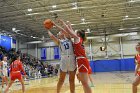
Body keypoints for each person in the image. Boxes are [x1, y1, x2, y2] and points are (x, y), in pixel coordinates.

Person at [55, 19, 92, 93]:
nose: (73, 32)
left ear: (78, 34)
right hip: (81, 60)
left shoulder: (77, 38)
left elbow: (68, 30)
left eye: (75, 32)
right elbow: (70, 30)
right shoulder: (78, 39)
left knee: (84, 83)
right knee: (84, 83)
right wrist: (69, 24)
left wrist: (63, 22)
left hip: (82, 60)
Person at [45, 23, 76, 93]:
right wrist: (47, 30)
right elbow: (52, 36)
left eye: (61, 32)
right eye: (59, 33)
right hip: (64, 59)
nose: (61, 32)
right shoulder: (59, 42)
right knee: (61, 79)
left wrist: (55, 25)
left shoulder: (68, 38)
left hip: (71, 57)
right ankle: (58, 92)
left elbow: (64, 31)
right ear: (58, 36)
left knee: (72, 80)